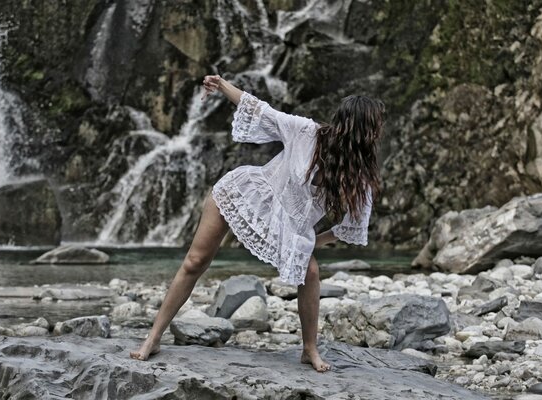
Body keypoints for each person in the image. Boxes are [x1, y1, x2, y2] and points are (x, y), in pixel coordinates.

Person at [130, 75, 385, 372]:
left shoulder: (360, 177)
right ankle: (153, 337)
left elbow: (348, 229)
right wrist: (222, 85)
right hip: (245, 192)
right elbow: (261, 110)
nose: (379, 133)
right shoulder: (306, 132)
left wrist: (308, 242)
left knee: (311, 270)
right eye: (376, 126)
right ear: (362, 130)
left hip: (288, 226)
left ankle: (309, 349)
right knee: (195, 261)